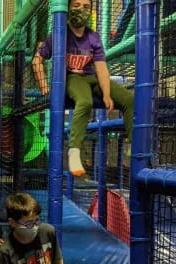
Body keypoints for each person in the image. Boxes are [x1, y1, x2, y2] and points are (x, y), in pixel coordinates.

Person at [32, 0, 134, 176]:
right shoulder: (58, 35)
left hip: (91, 77)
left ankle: (134, 147)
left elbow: (101, 67)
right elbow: (37, 60)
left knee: (129, 99)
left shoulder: (93, 37)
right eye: (76, 5)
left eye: (86, 7)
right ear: (69, 8)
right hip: (71, 77)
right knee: (85, 101)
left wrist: (107, 94)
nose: (81, 10)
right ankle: (74, 152)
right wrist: (44, 87)